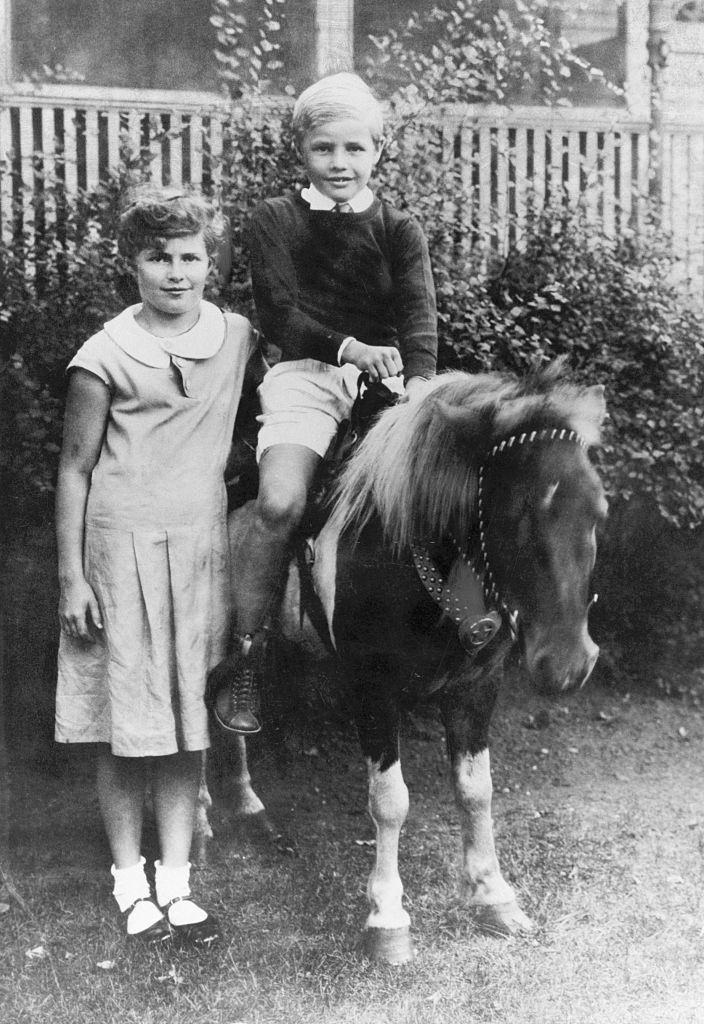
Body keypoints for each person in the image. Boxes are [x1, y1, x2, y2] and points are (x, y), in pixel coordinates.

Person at [54, 186, 263, 945]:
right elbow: (75, 468)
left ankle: (177, 886)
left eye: (190, 257)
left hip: (198, 550)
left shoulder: (236, 336)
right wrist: (73, 577)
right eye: (158, 257)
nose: (176, 272)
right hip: (119, 550)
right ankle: (128, 882)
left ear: (212, 265)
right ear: (130, 264)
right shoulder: (104, 354)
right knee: (124, 724)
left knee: (183, 724)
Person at [210, 72, 438, 736]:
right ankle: (246, 657)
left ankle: (429, 650)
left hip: (386, 378)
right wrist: (348, 349)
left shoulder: (399, 228)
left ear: (377, 151)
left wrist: (419, 386)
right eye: (324, 150)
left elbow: (418, 316)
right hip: (307, 374)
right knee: (280, 501)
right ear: (302, 151)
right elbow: (279, 313)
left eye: (354, 149)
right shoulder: (274, 220)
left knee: (430, 496)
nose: (340, 164)